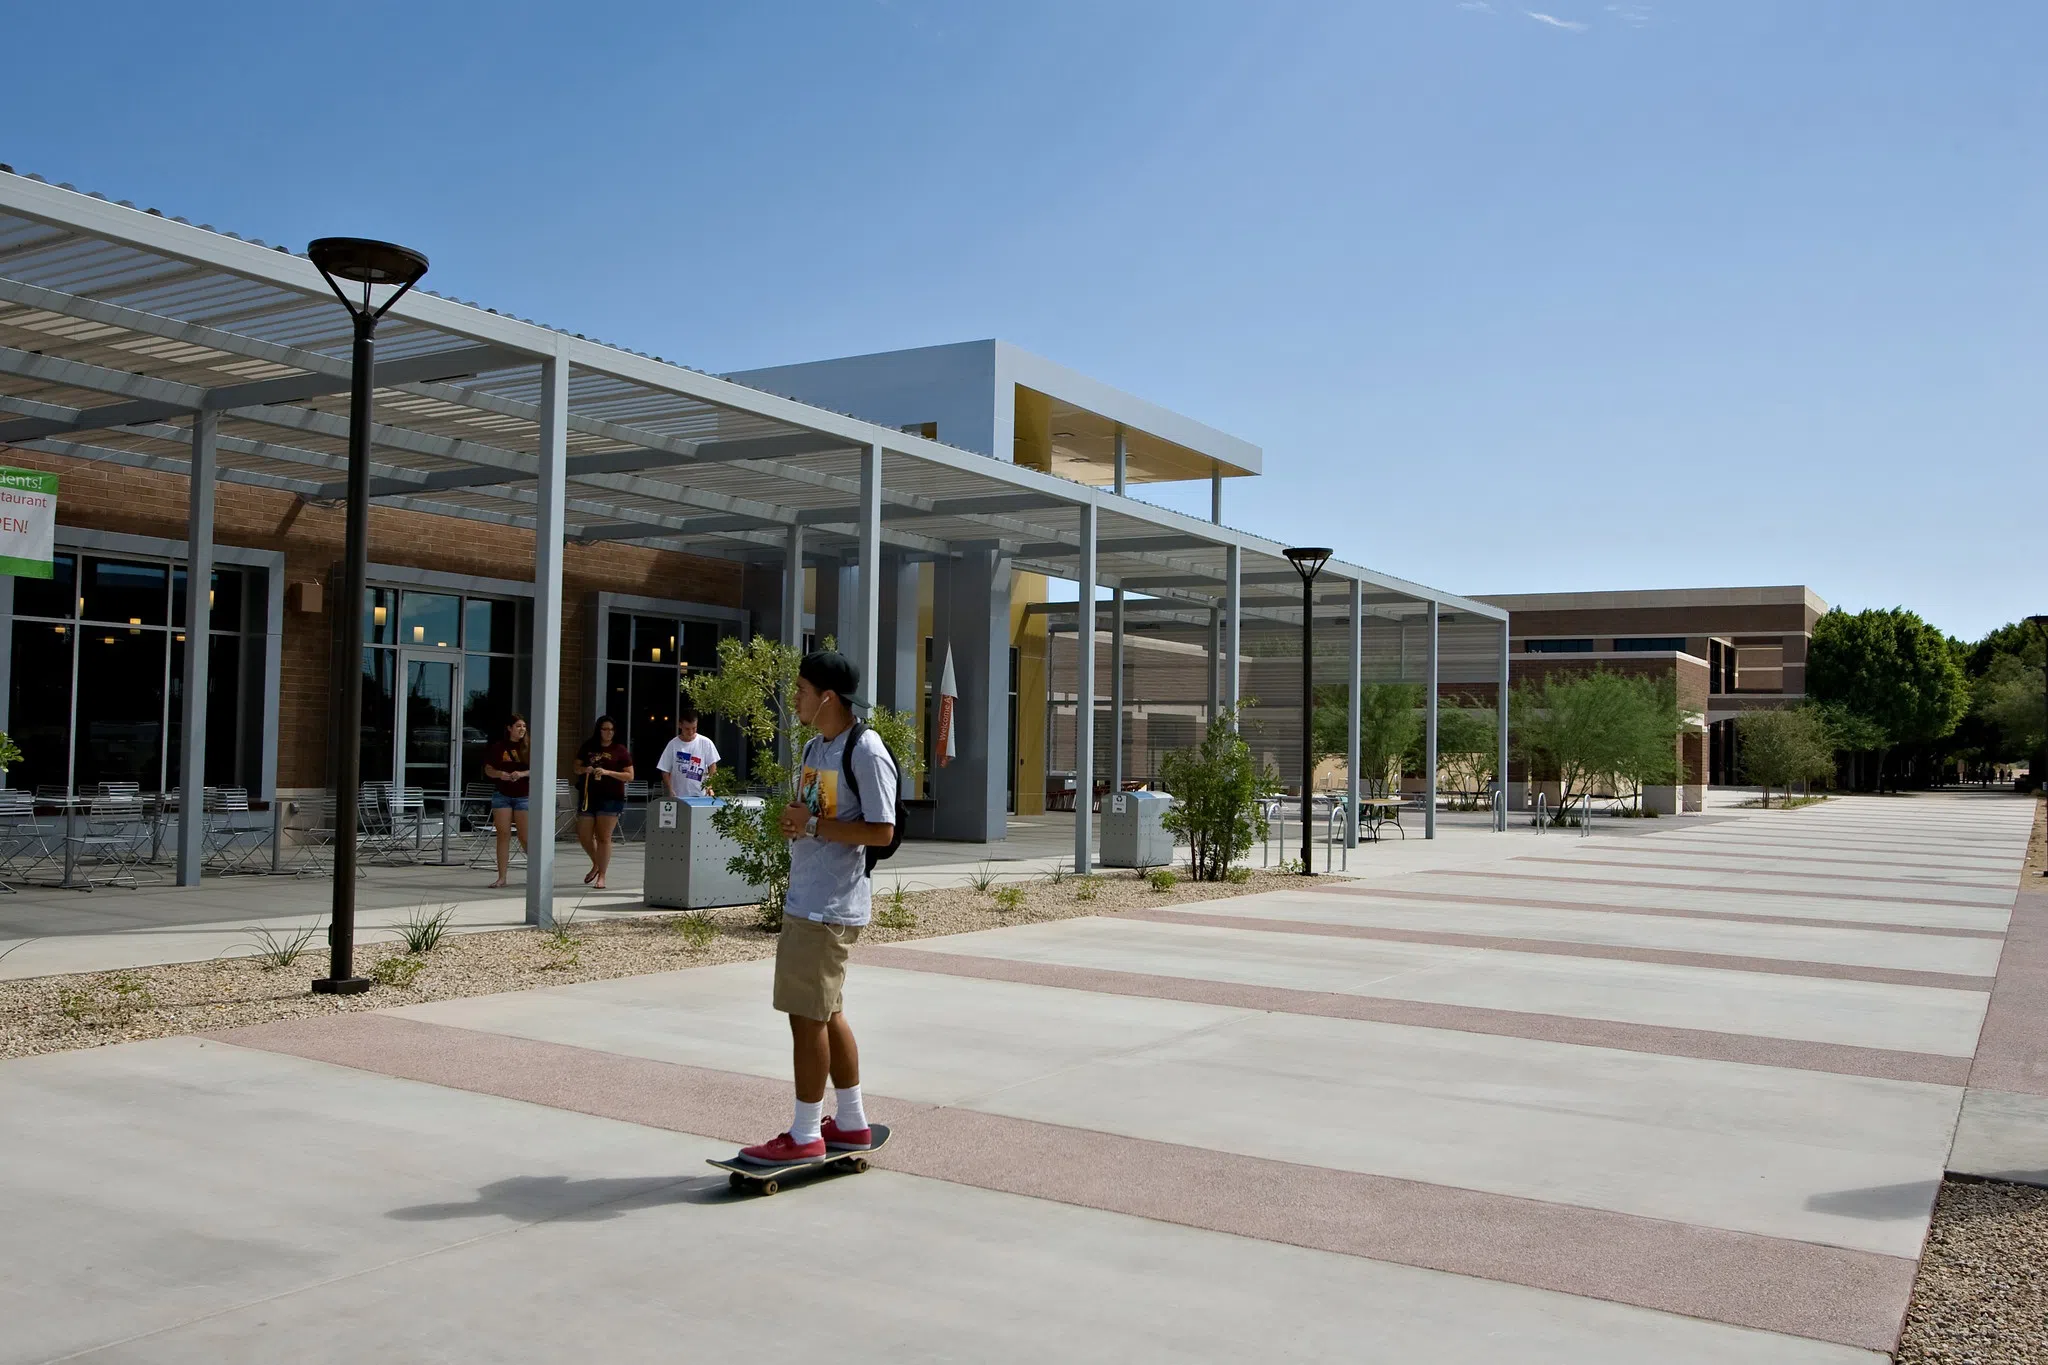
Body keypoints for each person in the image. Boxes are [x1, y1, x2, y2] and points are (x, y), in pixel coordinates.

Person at [740, 651, 898, 1164]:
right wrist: (798, 821)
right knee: (826, 1014)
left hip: (829, 906)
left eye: (802, 690)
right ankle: (850, 1122)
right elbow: (813, 814)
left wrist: (809, 826)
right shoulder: (816, 746)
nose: (796, 698)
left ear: (828, 696)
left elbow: (882, 830)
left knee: (805, 1019)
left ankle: (805, 1133)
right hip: (807, 899)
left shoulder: (866, 750)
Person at [573, 715, 633, 890]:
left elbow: (629, 775)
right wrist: (586, 769)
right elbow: (576, 767)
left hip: (611, 796)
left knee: (603, 836)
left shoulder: (620, 750)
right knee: (584, 834)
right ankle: (597, 862)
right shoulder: (588, 747)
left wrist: (607, 772)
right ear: (599, 730)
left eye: (611, 729)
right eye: (605, 729)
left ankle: (602, 875)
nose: (608, 733)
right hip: (588, 795)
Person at [481, 714, 531, 889]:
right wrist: (500, 774)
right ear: (509, 728)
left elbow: (539, 768)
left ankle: (535, 872)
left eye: (524, 726)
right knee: (503, 835)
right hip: (502, 795)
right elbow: (488, 768)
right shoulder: (499, 747)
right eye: (518, 726)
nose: (522, 729)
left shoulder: (529, 747)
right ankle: (502, 877)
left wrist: (522, 774)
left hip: (523, 795)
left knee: (525, 836)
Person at [654, 703, 720, 799]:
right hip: (679, 795)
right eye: (687, 729)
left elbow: (713, 767)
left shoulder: (706, 743)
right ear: (680, 725)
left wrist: (709, 786)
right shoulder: (673, 744)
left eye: (694, 728)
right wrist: (670, 788)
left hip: (700, 795)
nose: (690, 732)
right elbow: (665, 770)